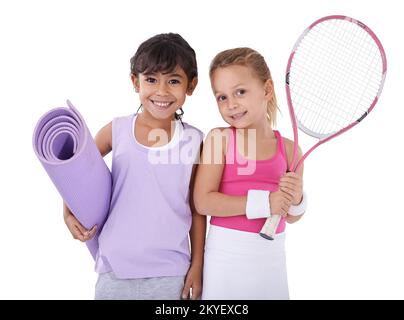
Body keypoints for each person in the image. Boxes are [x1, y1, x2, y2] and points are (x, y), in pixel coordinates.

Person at [63, 33, 206, 300]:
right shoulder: (116, 130)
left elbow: (198, 210)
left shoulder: (194, 140)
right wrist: (67, 212)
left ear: (191, 85)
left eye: (173, 81)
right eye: (151, 80)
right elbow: (75, 172)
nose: (161, 91)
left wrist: (197, 265)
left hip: (171, 273)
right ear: (134, 82)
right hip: (114, 270)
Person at [194, 47, 307, 300]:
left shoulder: (290, 149)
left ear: (267, 90)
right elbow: (203, 201)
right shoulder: (219, 139)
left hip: (271, 260)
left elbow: (291, 216)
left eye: (240, 92)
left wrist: (297, 199)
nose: (231, 104)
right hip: (225, 259)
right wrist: (265, 202)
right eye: (221, 97)